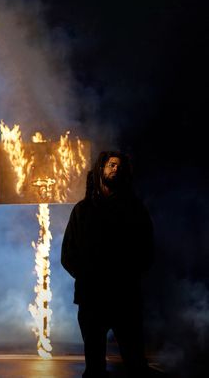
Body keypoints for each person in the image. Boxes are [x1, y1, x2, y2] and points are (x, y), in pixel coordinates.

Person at [61, 150, 155, 378]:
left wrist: (128, 276)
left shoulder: (135, 209)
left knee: (135, 362)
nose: (116, 169)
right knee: (94, 365)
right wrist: (86, 277)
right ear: (100, 170)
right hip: (92, 298)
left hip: (125, 297)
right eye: (112, 164)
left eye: (120, 166)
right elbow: (68, 254)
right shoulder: (82, 211)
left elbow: (147, 250)